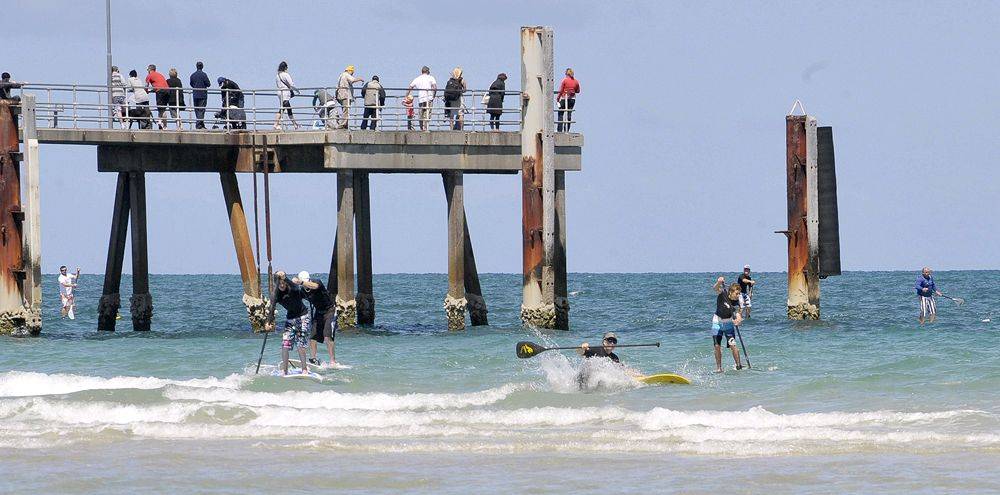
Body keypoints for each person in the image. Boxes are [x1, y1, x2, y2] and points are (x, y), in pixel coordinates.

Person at [265, 271, 311, 375]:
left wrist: (285, 278)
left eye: (283, 282)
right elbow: (272, 309)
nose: (282, 285)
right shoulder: (275, 294)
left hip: (303, 317)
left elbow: (295, 287)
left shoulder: (292, 288)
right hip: (290, 319)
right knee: (285, 344)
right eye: (279, 283)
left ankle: (304, 369)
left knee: (300, 345)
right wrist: (268, 322)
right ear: (276, 283)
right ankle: (284, 370)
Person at [294, 271, 339, 366]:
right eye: (303, 282)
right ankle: (313, 359)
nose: (306, 284)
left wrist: (301, 282)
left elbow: (314, 286)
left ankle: (332, 361)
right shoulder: (302, 291)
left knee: (327, 336)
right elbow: (294, 297)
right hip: (318, 313)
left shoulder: (317, 282)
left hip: (330, 311)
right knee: (312, 337)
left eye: (306, 281)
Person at [711, 277, 744, 372]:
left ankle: (738, 366)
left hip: (729, 325)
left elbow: (738, 314)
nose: (738, 296)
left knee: (733, 345)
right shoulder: (723, 294)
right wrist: (718, 282)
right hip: (717, 323)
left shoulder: (737, 303)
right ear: (731, 292)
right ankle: (719, 368)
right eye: (736, 293)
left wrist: (738, 320)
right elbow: (715, 288)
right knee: (717, 346)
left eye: (739, 294)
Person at [406, 66, 437, 130]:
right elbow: (435, 87)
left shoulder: (417, 78)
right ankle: (425, 127)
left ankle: (421, 128)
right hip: (429, 98)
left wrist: (406, 96)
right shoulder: (431, 77)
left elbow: (410, 87)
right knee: (427, 113)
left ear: (422, 71)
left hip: (421, 98)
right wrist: (434, 95)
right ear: (428, 71)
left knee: (421, 113)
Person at [274, 61, 299, 130]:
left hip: (279, 93)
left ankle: (295, 124)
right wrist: (297, 91)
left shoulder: (277, 76)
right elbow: (291, 84)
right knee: (284, 109)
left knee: (284, 109)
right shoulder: (285, 74)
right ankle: (276, 124)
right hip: (285, 93)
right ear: (285, 67)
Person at [145, 64, 169, 129]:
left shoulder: (149, 75)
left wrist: (146, 91)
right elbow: (158, 84)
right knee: (162, 109)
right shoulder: (159, 74)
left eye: (147, 70)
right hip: (167, 90)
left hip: (160, 91)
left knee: (161, 109)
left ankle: (162, 124)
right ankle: (162, 124)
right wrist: (151, 91)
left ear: (149, 69)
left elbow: (146, 86)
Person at [556, 68, 581, 132]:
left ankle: (559, 130)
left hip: (564, 99)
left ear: (567, 74)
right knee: (569, 114)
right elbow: (578, 91)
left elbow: (561, 91)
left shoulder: (564, 81)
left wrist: (558, 99)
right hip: (572, 100)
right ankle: (566, 130)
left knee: (560, 113)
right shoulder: (576, 81)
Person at [189, 62, 211, 129]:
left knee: (197, 110)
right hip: (202, 95)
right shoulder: (204, 75)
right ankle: (199, 125)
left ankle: (201, 124)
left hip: (195, 94)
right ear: (202, 67)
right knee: (201, 110)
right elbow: (208, 84)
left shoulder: (193, 75)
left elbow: (191, 84)